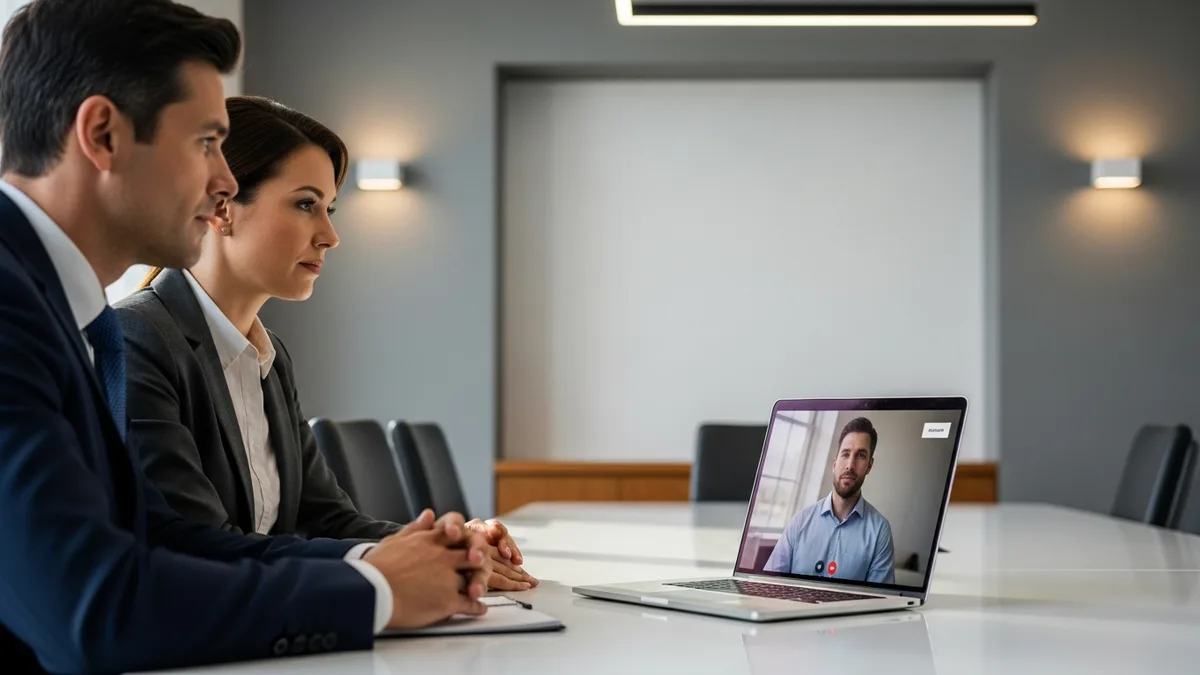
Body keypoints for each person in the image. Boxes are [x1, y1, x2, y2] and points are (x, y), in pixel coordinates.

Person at [0, 1, 494, 672]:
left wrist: (386, 564)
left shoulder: (68, 315)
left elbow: (163, 536)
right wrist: (373, 589)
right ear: (104, 134)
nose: (224, 180)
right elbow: (95, 606)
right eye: (206, 141)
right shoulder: (19, 309)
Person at [114, 95, 536, 592]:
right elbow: (196, 544)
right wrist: (405, 564)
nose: (331, 235)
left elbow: (328, 520)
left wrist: (446, 546)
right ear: (223, 207)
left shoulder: (270, 356)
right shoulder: (136, 338)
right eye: (305, 204)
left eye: (329, 208)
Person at [764, 417, 895, 584]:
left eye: (860, 456)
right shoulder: (800, 521)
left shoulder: (879, 531)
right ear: (835, 463)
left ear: (869, 466)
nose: (850, 465)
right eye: (845, 454)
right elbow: (769, 583)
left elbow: (879, 602)